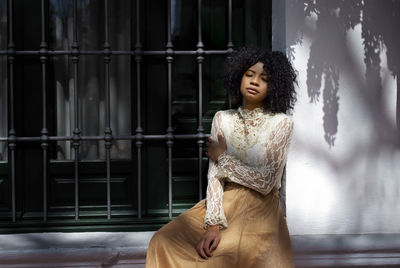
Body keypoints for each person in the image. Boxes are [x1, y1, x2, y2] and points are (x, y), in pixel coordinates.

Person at [145, 46, 297, 268]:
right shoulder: (222, 119)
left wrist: (223, 157)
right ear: (239, 77)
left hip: (260, 211)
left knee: (221, 261)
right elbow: (215, 178)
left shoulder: (282, 123)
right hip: (223, 205)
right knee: (162, 240)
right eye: (249, 75)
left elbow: (266, 182)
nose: (254, 82)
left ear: (273, 87)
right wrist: (213, 226)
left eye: (264, 79)